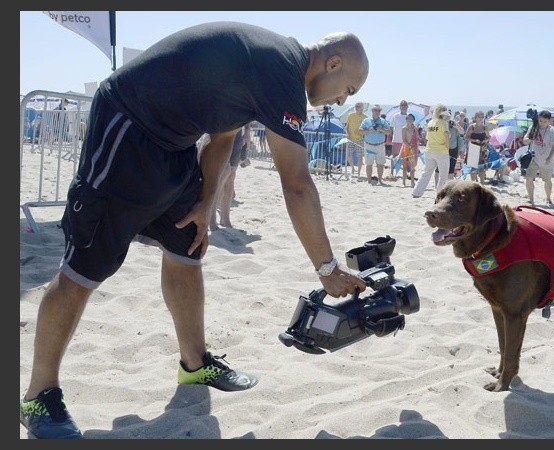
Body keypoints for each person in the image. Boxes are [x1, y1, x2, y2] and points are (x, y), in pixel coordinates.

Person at [19, 22, 368, 439]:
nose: (341, 100)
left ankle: (194, 363)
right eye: (347, 90)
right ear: (332, 63)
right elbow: (295, 182)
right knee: (84, 268)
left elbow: (222, 136)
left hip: (176, 144)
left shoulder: (272, 66)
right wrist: (326, 268)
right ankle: (38, 395)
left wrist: (205, 202)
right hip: (128, 127)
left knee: (188, 245)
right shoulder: (281, 69)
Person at [411, 104, 451, 198]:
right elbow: (446, 135)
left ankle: (416, 192)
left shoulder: (431, 122)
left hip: (429, 150)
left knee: (426, 172)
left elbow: (427, 137)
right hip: (441, 151)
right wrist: (447, 147)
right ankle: (440, 195)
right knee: (443, 176)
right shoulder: (443, 123)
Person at [521, 109, 554, 206]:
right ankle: (531, 199)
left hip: (547, 160)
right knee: (529, 177)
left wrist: (549, 157)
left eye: (545, 121)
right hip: (534, 158)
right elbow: (525, 140)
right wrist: (530, 138)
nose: (542, 123)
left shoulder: (552, 131)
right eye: (540, 120)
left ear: (549, 121)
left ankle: (548, 198)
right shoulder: (533, 127)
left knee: (547, 180)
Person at [359, 105, 391, 185]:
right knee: (369, 164)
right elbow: (360, 131)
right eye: (375, 110)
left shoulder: (383, 121)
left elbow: (389, 132)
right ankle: (369, 181)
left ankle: (380, 180)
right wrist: (369, 130)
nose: (377, 112)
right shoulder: (366, 121)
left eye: (378, 110)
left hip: (380, 145)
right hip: (369, 145)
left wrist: (381, 129)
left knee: (380, 164)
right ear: (372, 111)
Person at [464, 111, 489, 184]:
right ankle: (473, 184)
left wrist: (485, 140)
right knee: (473, 168)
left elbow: (488, 137)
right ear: (476, 118)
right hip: (473, 148)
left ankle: (482, 184)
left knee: (482, 168)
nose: (481, 118)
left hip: (482, 149)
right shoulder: (471, 127)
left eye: (482, 116)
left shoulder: (485, 127)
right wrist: (475, 140)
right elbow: (466, 137)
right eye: (479, 117)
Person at [344, 102, 367, 178]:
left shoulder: (365, 117)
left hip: (360, 139)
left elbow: (366, 129)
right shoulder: (351, 115)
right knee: (348, 155)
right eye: (357, 107)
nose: (359, 109)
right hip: (350, 138)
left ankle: (359, 172)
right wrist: (347, 133)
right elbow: (347, 126)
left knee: (360, 156)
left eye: (360, 107)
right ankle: (353, 168)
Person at [399, 113, 419, 187]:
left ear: (413, 120)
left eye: (411, 119)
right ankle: (404, 181)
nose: (409, 120)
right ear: (406, 119)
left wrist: (415, 144)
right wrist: (408, 145)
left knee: (413, 165)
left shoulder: (415, 128)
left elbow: (417, 138)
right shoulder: (404, 128)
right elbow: (404, 140)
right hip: (406, 148)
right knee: (405, 165)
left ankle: (412, 182)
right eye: (408, 118)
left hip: (414, 148)